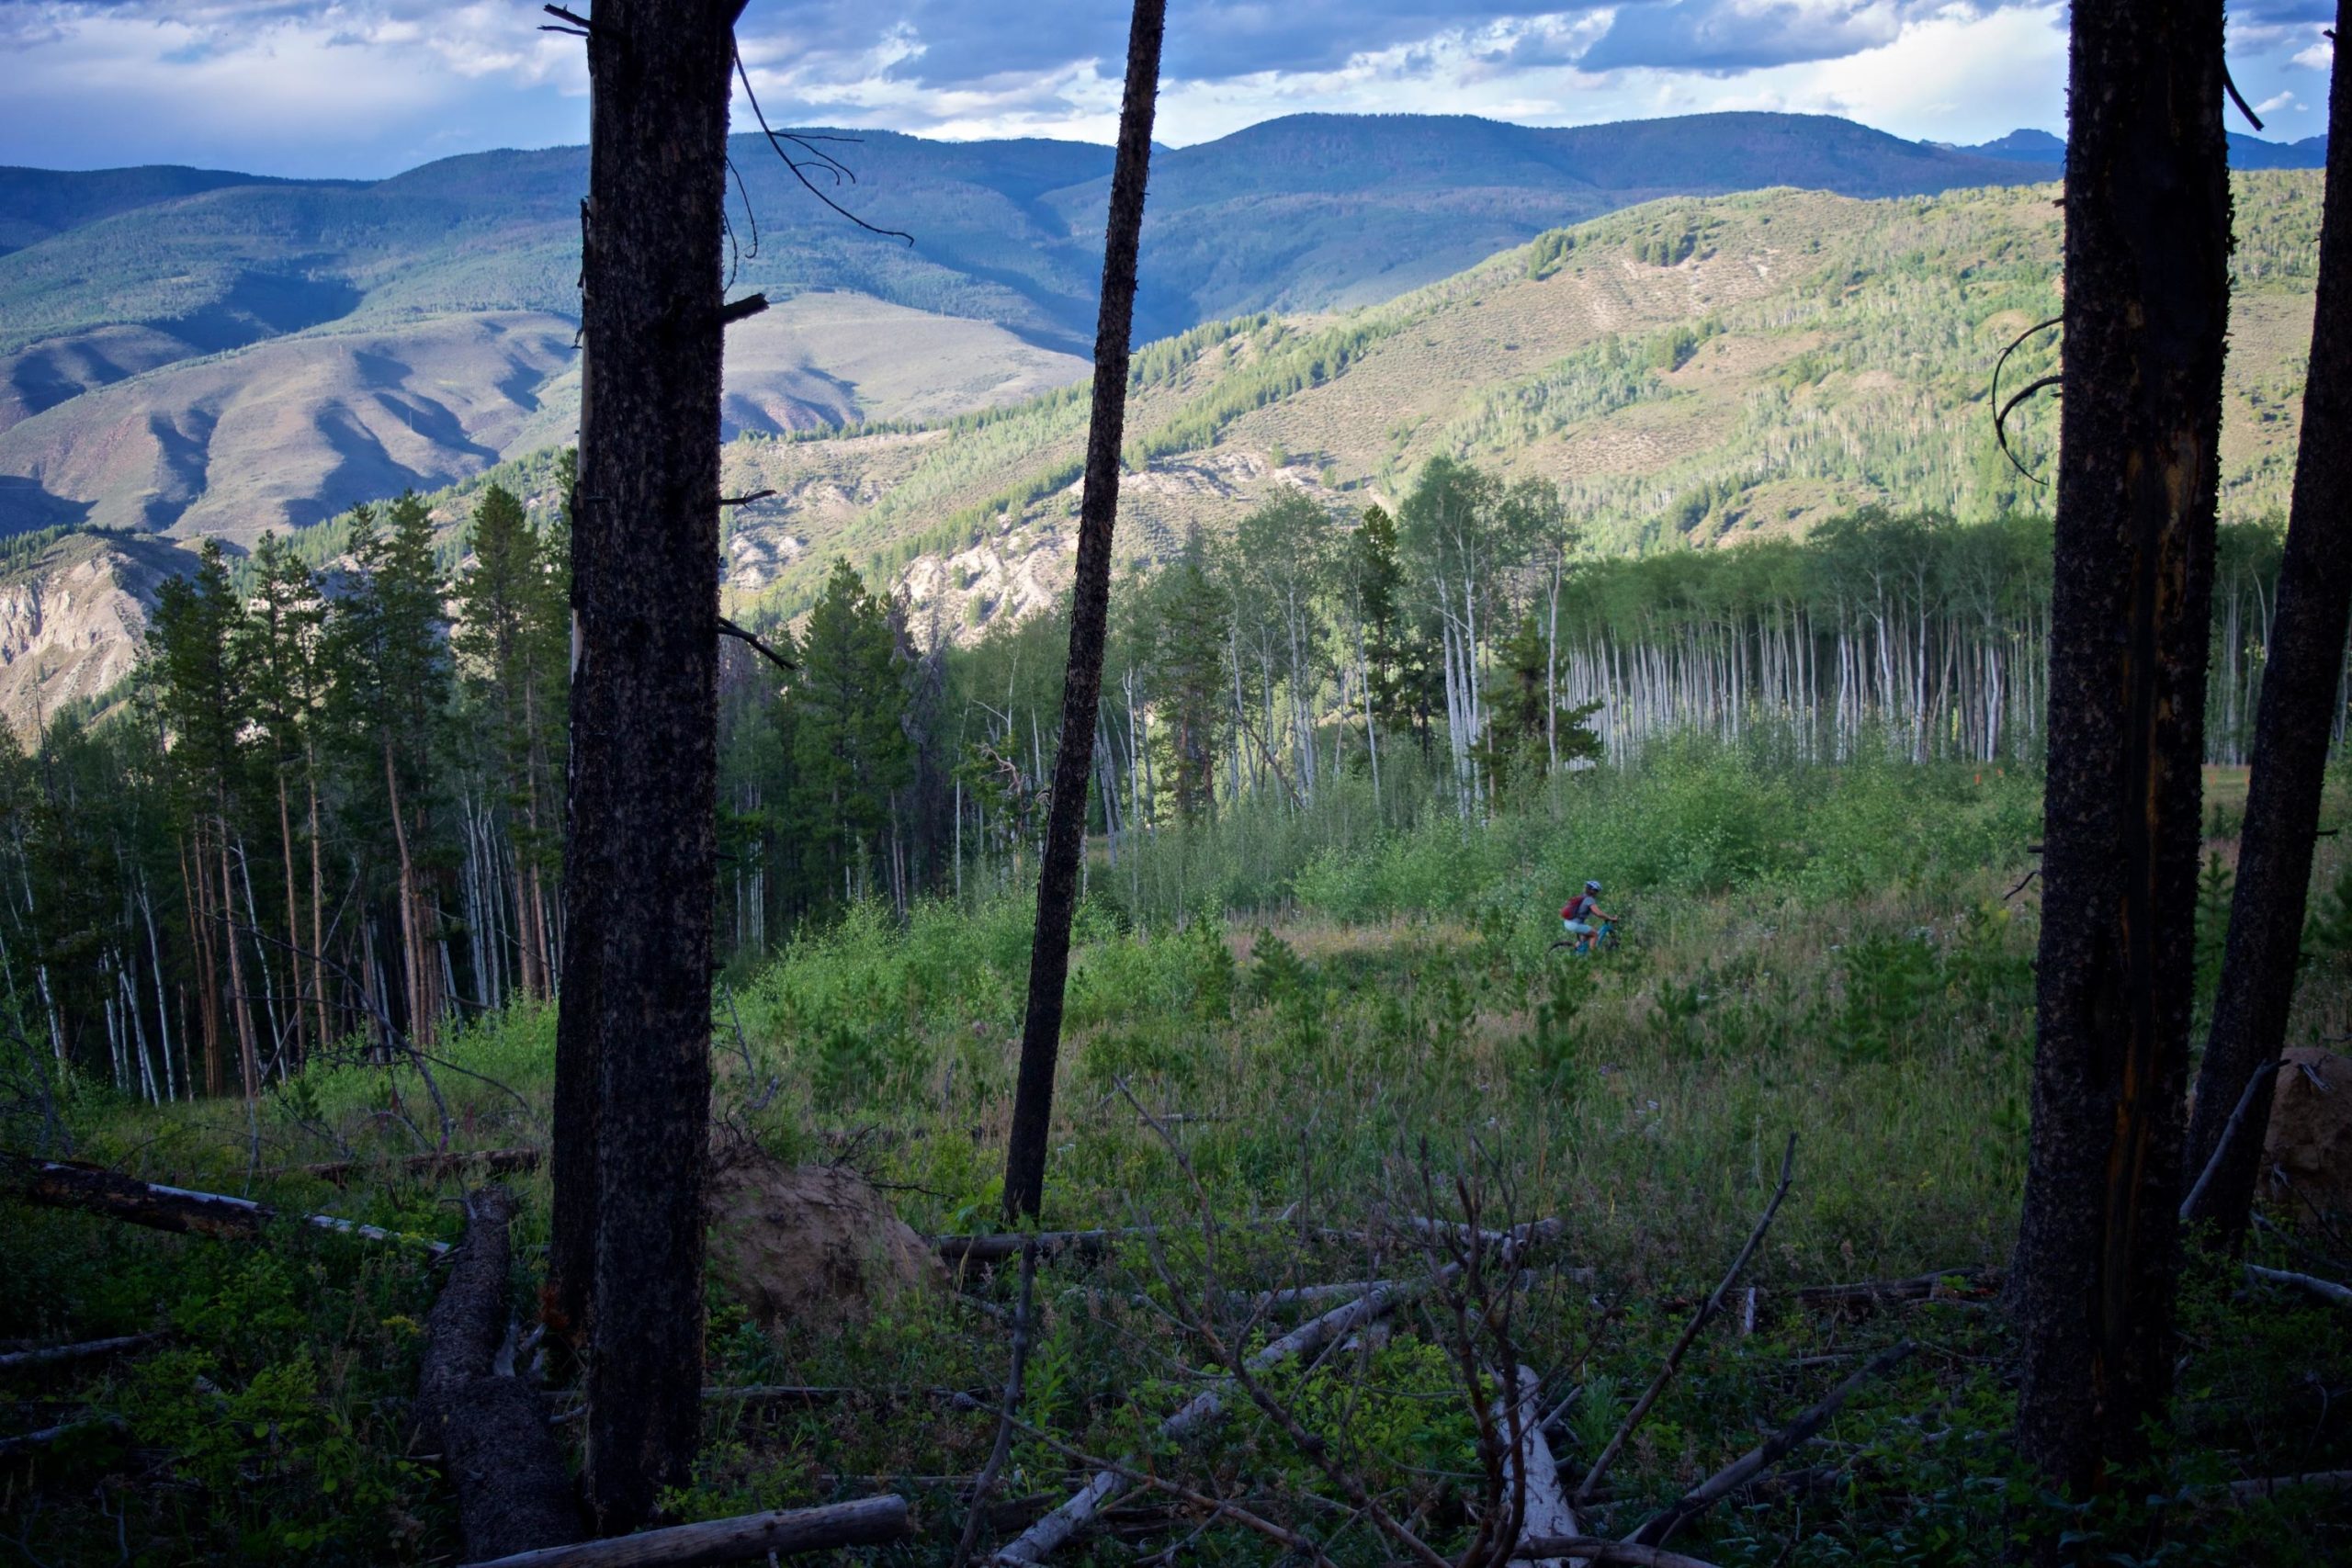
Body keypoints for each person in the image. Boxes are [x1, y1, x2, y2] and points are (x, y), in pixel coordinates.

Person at [1558, 879, 1615, 953]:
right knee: (1594, 934)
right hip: (1575, 924)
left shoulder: (1582, 896)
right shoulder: (1589, 899)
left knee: (1586, 935)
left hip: (1568, 922)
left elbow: (1595, 913)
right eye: (1597, 891)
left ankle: (1576, 952)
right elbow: (1598, 913)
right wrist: (1610, 918)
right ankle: (1593, 957)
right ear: (1593, 891)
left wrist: (1605, 916)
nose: (1597, 894)